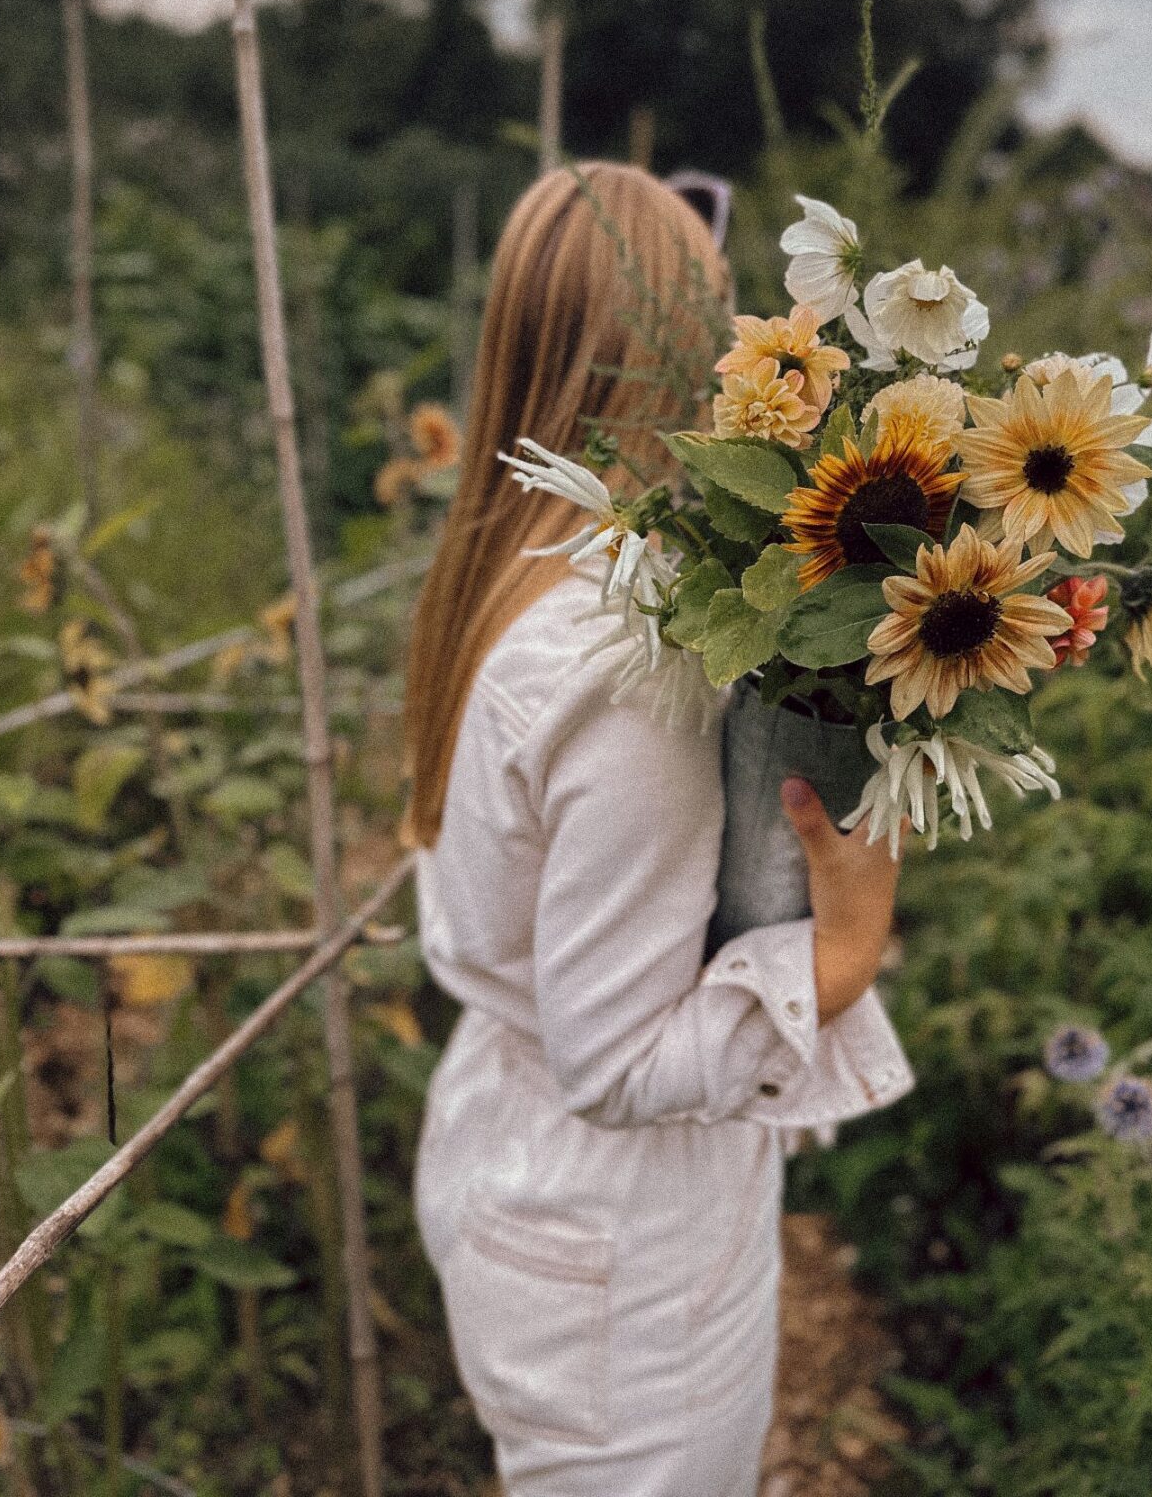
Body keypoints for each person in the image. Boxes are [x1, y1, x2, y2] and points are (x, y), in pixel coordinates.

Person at [405, 162, 912, 1496]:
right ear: (682, 342)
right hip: (615, 1243)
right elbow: (616, 1063)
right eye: (727, 315)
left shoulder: (507, 574)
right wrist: (843, 953)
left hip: (520, 1173)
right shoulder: (635, 670)